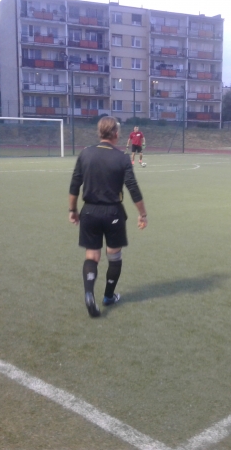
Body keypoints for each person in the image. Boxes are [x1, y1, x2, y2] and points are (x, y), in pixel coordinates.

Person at [69, 116, 148, 318]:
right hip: (113, 213)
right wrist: (142, 214)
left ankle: (89, 293)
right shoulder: (122, 158)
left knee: (92, 256)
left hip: (89, 212)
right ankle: (108, 296)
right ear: (115, 133)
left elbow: (75, 184)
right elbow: (132, 188)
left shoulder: (85, 153)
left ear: (99, 132)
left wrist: (72, 210)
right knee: (114, 256)